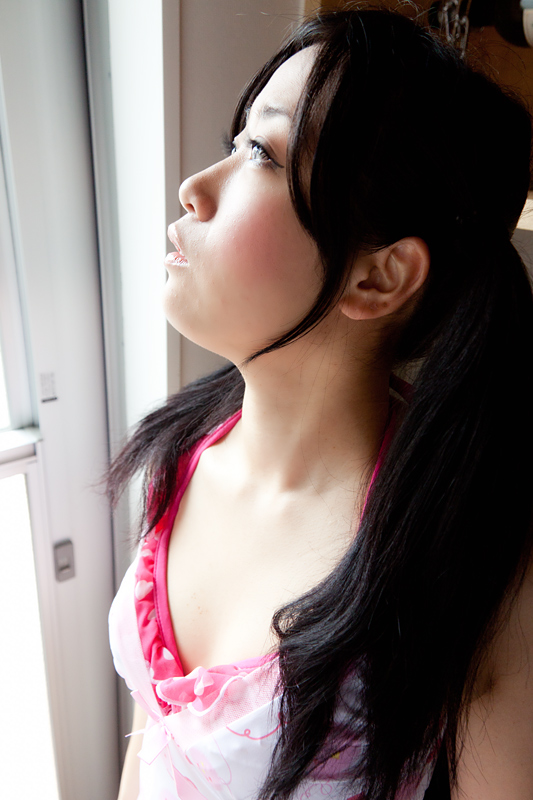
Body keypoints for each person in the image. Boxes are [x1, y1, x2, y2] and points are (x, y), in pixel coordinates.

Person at [107, 6, 533, 800]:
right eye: (235, 142)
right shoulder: (181, 453)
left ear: (378, 277)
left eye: (261, 154)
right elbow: (149, 747)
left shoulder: (464, 548)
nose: (194, 189)